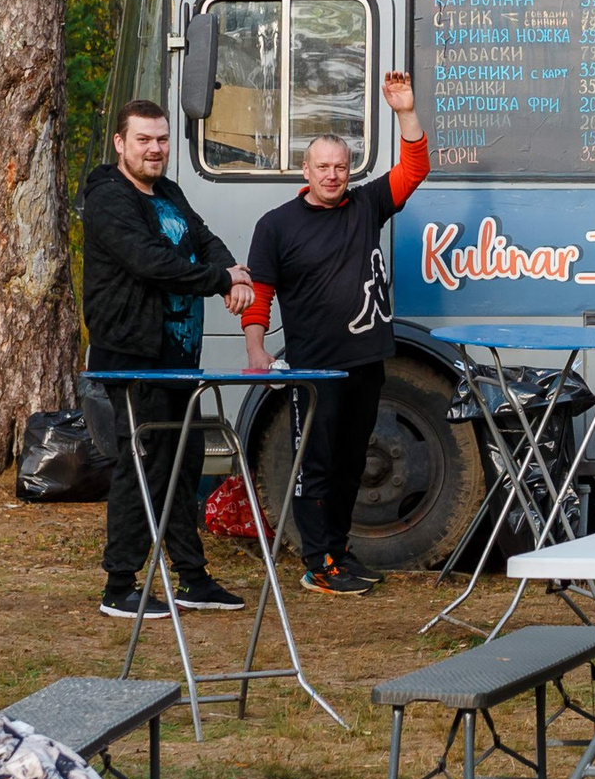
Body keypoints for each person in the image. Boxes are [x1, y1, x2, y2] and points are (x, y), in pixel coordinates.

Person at [240, 71, 427, 595]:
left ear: (350, 170)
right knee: (315, 467)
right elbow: (259, 292)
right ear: (306, 171)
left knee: (351, 464)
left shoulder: (367, 205)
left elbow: (415, 169)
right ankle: (317, 562)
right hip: (314, 369)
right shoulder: (277, 225)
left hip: (366, 361)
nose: (332, 175)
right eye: (322, 167)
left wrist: (405, 112)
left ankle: (339, 552)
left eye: (340, 167)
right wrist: (256, 348)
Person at [80, 97, 254, 618]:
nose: (154, 149)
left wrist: (233, 274)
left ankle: (193, 579)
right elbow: (150, 262)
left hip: (179, 356)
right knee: (144, 464)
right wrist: (220, 280)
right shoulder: (108, 198)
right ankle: (119, 585)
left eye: (161, 139)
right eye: (143, 140)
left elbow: (204, 238)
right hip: (133, 355)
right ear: (120, 143)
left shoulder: (169, 192)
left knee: (184, 464)